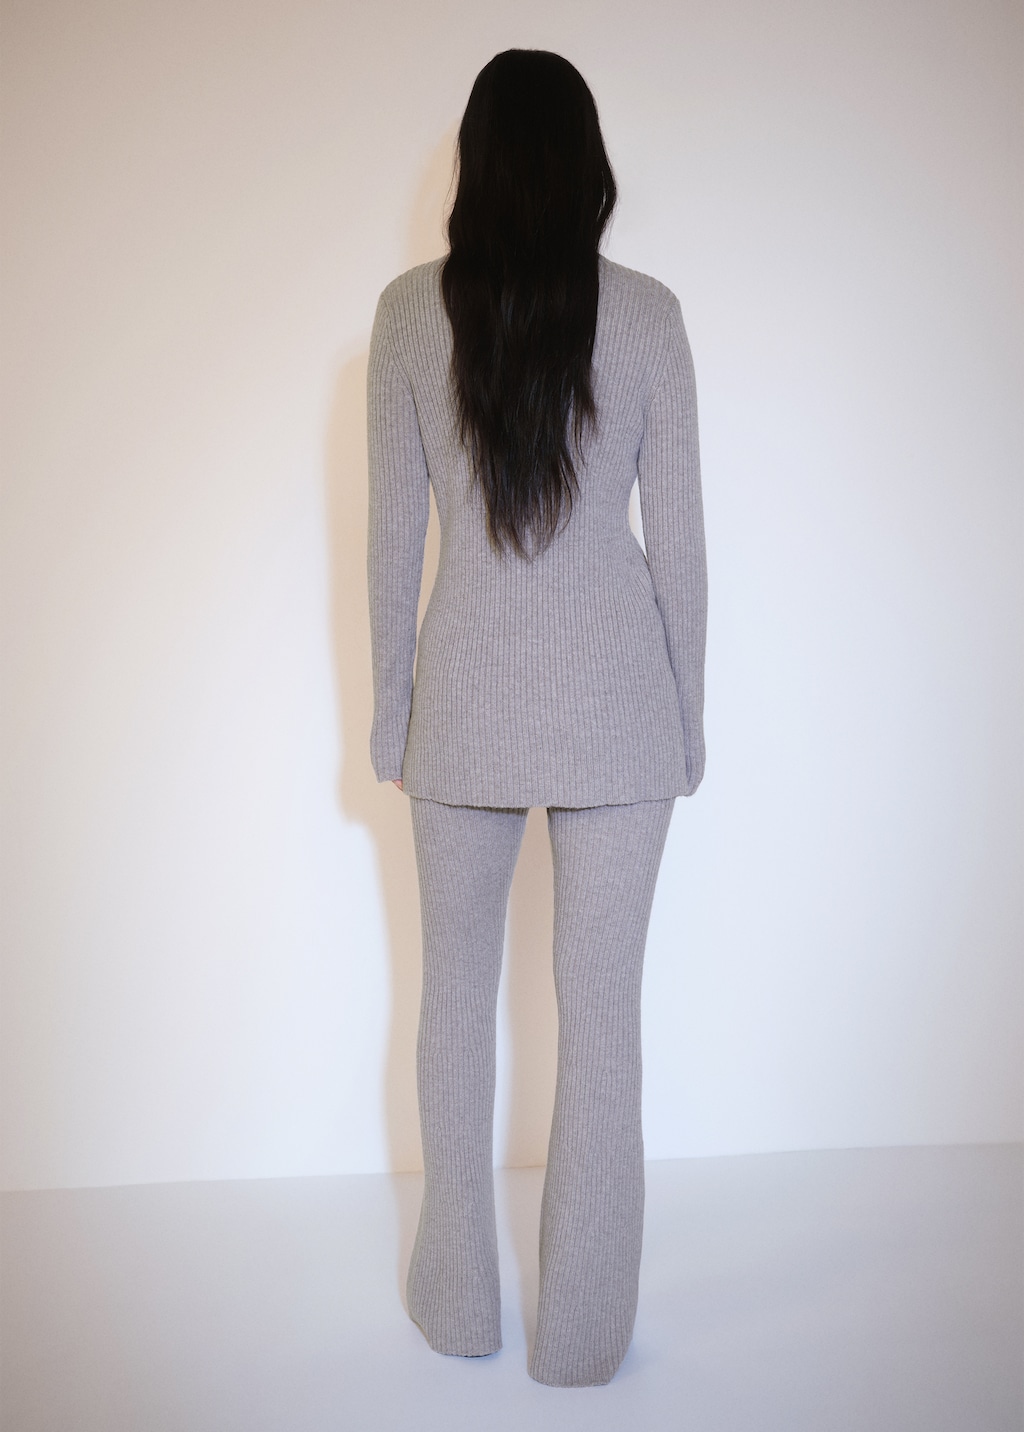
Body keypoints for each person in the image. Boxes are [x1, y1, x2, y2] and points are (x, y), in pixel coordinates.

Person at [366, 48, 707, 1388]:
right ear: (587, 165)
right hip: (623, 712)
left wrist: (391, 720)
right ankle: (585, 1340)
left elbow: (394, 548)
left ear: (476, 161)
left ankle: (457, 1300)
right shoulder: (651, 316)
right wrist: (687, 724)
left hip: (461, 712)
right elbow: (680, 551)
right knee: (604, 1022)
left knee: (452, 1003)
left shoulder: (408, 314)